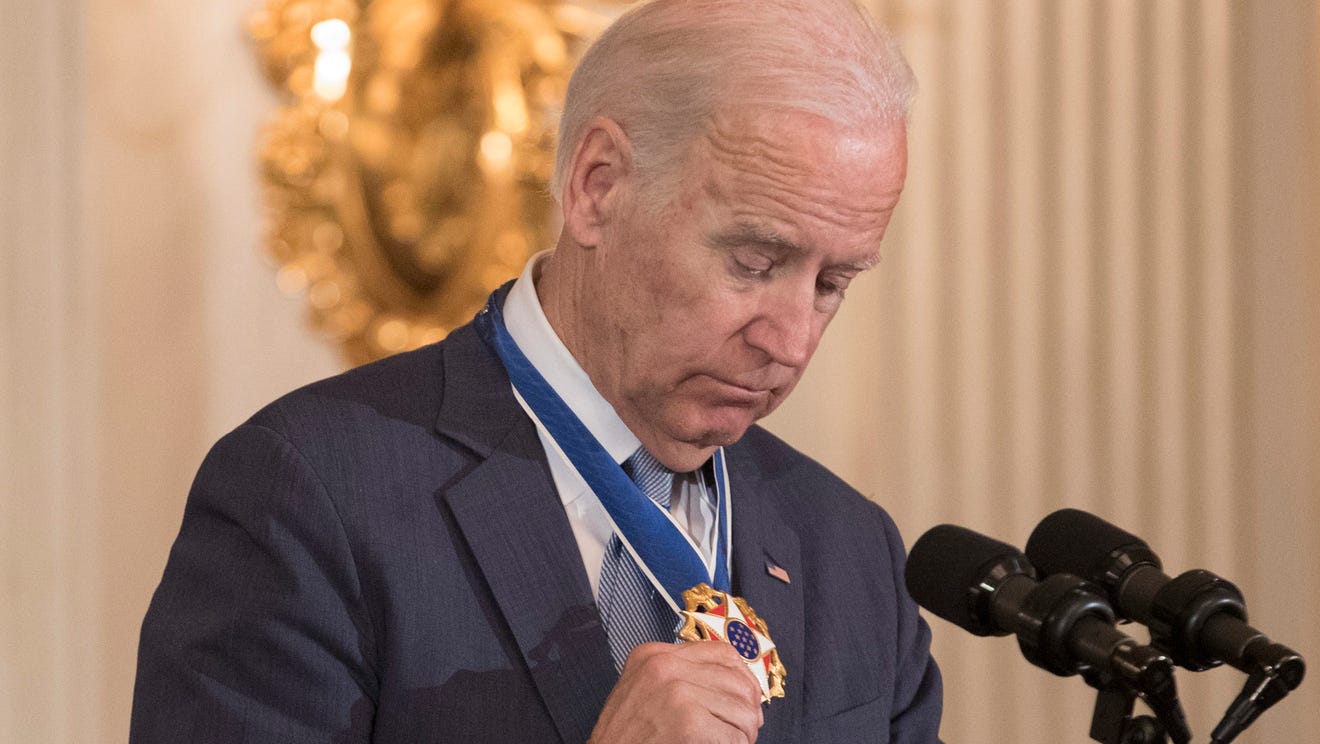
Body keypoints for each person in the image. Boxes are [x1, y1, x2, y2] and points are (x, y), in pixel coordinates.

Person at [129, 0, 943, 741]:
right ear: (598, 187)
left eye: (833, 284)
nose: (792, 341)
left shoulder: (851, 549)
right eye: (755, 261)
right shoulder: (313, 497)